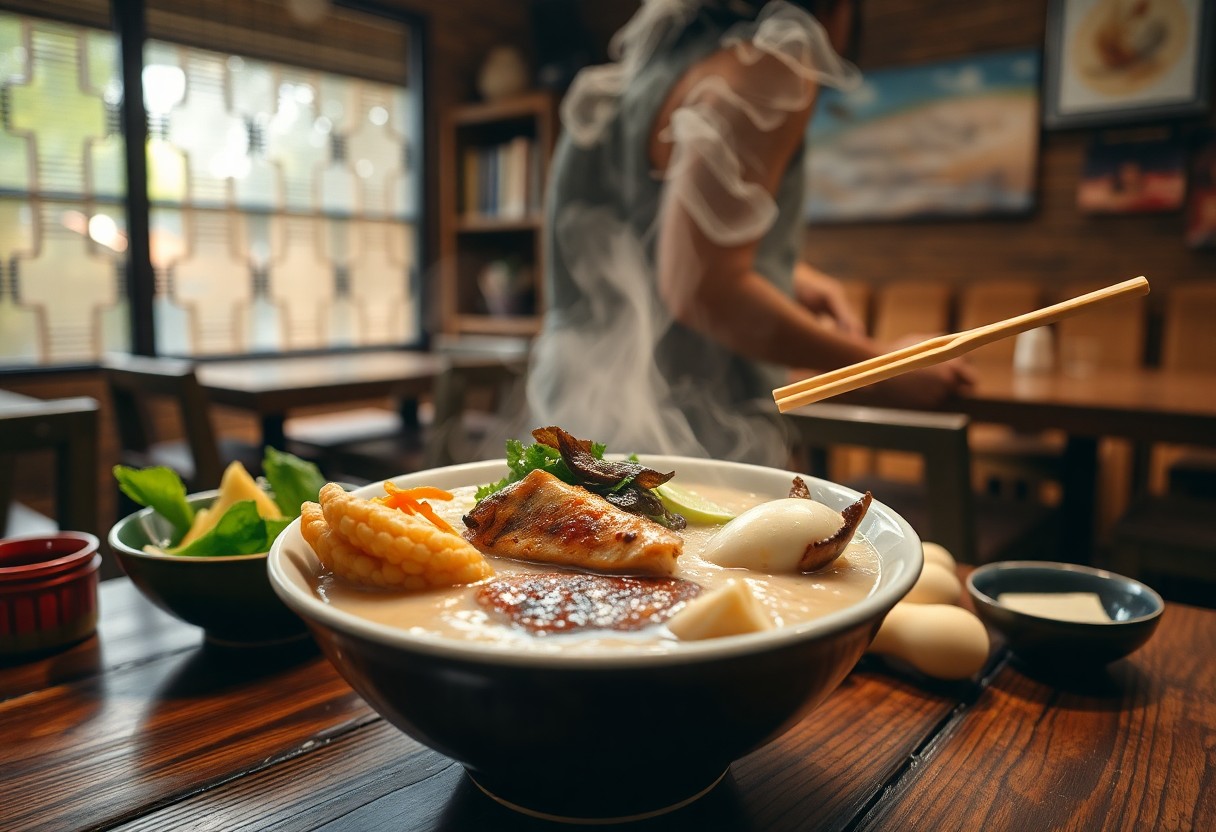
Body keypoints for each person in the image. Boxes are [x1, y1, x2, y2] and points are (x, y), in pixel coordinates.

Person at [527, 0, 973, 466]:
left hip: (575, 400)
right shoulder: (770, 65)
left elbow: (650, 243)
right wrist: (882, 367)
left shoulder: (638, 75)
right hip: (681, 421)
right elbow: (702, 289)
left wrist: (787, 276)